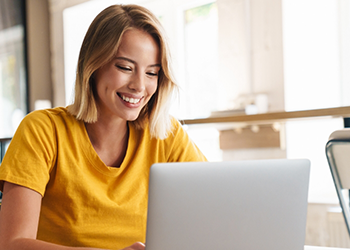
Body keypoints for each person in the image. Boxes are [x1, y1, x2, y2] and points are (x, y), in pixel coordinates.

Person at [0, 4, 206, 250]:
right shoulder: (42, 130)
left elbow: (216, 205)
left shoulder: (165, 135)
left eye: (152, 73)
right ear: (93, 66)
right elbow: (12, 244)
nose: (140, 86)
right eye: (125, 68)